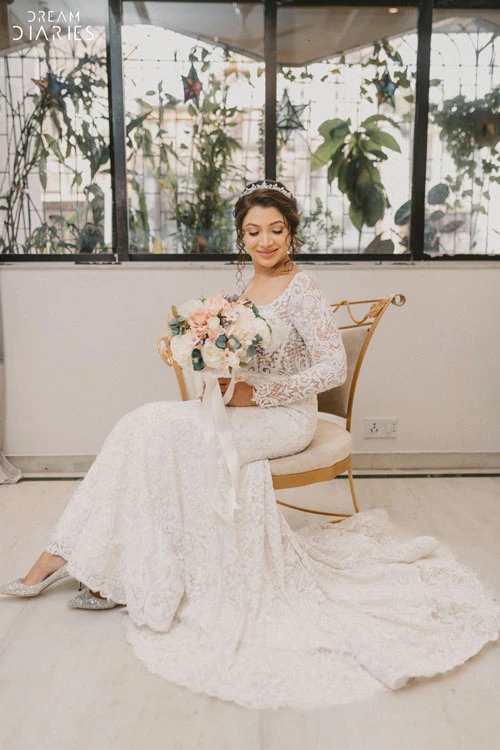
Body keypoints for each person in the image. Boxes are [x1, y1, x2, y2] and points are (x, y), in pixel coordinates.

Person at [1, 180, 498, 710]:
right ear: (241, 236)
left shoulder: (301, 289)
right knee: (139, 426)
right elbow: (238, 363)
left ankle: (94, 568)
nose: (265, 241)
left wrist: (259, 394)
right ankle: (72, 555)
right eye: (254, 232)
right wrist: (214, 370)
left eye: (276, 230)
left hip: (286, 417)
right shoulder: (240, 292)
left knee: (166, 439)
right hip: (240, 409)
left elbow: (332, 366)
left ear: (291, 232)